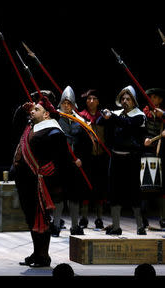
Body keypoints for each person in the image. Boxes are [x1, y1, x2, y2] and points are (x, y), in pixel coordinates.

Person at [13, 91, 72, 267]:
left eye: (36, 109)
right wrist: (20, 109)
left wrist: (47, 176)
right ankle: (36, 252)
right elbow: (15, 125)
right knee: (31, 219)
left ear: (46, 113)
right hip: (26, 182)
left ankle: (43, 256)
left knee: (42, 219)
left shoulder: (53, 132)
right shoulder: (32, 127)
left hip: (42, 183)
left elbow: (61, 160)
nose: (32, 111)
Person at [97, 85, 147, 235]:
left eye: (128, 98)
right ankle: (116, 226)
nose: (125, 101)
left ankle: (140, 226)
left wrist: (111, 116)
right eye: (123, 98)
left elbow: (127, 124)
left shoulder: (139, 116)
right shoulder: (117, 114)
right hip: (116, 157)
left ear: (134, 101)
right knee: (114, 192)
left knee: (133, 191)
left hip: (131, 158)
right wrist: (104, 114)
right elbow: (100, 122)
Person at [54, 86, 91, 236]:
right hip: (60, 162)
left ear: (74, 104)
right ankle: (55, 226)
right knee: (58, 195)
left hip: (76, 163)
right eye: (64, 103)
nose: (67, 106)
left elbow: (86, 144)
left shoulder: (80, 121)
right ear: (61, 104)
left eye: (69, 103)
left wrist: (81, 158)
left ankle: (75, 226)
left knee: (74, 195)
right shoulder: (55, 119)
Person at [78, 89, 108, 230]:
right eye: (89, 98)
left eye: (94, 98)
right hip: (86, 158)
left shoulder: (104, 117)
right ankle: (83, 218)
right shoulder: (80, 117)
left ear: (98, 101)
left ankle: (99, 219)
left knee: (99, 188)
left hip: (101, 157)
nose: (91, 101)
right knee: (84, 188)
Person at [142, 87, 165, 229]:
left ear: (160, 100)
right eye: (151, 97)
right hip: (144, 153)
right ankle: (143, 218)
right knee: (144, 188)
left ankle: (163, 218)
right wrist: (143, 140)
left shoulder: (163, 115)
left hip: (160, 153)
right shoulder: (143, 114)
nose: (153, 100)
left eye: (156, 97)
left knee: (161, 189)